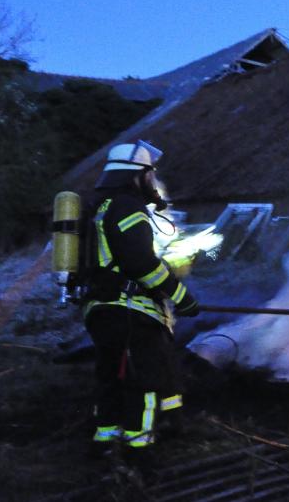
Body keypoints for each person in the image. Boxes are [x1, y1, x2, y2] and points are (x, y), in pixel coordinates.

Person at [82, 140, 200, 453]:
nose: (153, 181)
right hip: (129, 310)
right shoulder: (126, 206)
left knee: (111, 378)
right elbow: (141, 264)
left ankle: (105, 441)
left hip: (101, 310)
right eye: (150, 174)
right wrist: (181, 296)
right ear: (138, 175)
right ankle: (139, 450)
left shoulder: (100, 207)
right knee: (145, 381)